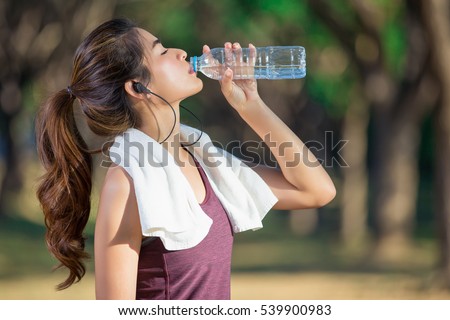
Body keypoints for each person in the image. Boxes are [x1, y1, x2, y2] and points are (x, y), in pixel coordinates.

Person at [35, 18, 336, 300]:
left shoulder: (206, 162)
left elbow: (316, 190)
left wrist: (251, 106)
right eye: (162, 51)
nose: (180, 52)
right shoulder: (127, 182)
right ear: (137, 87)